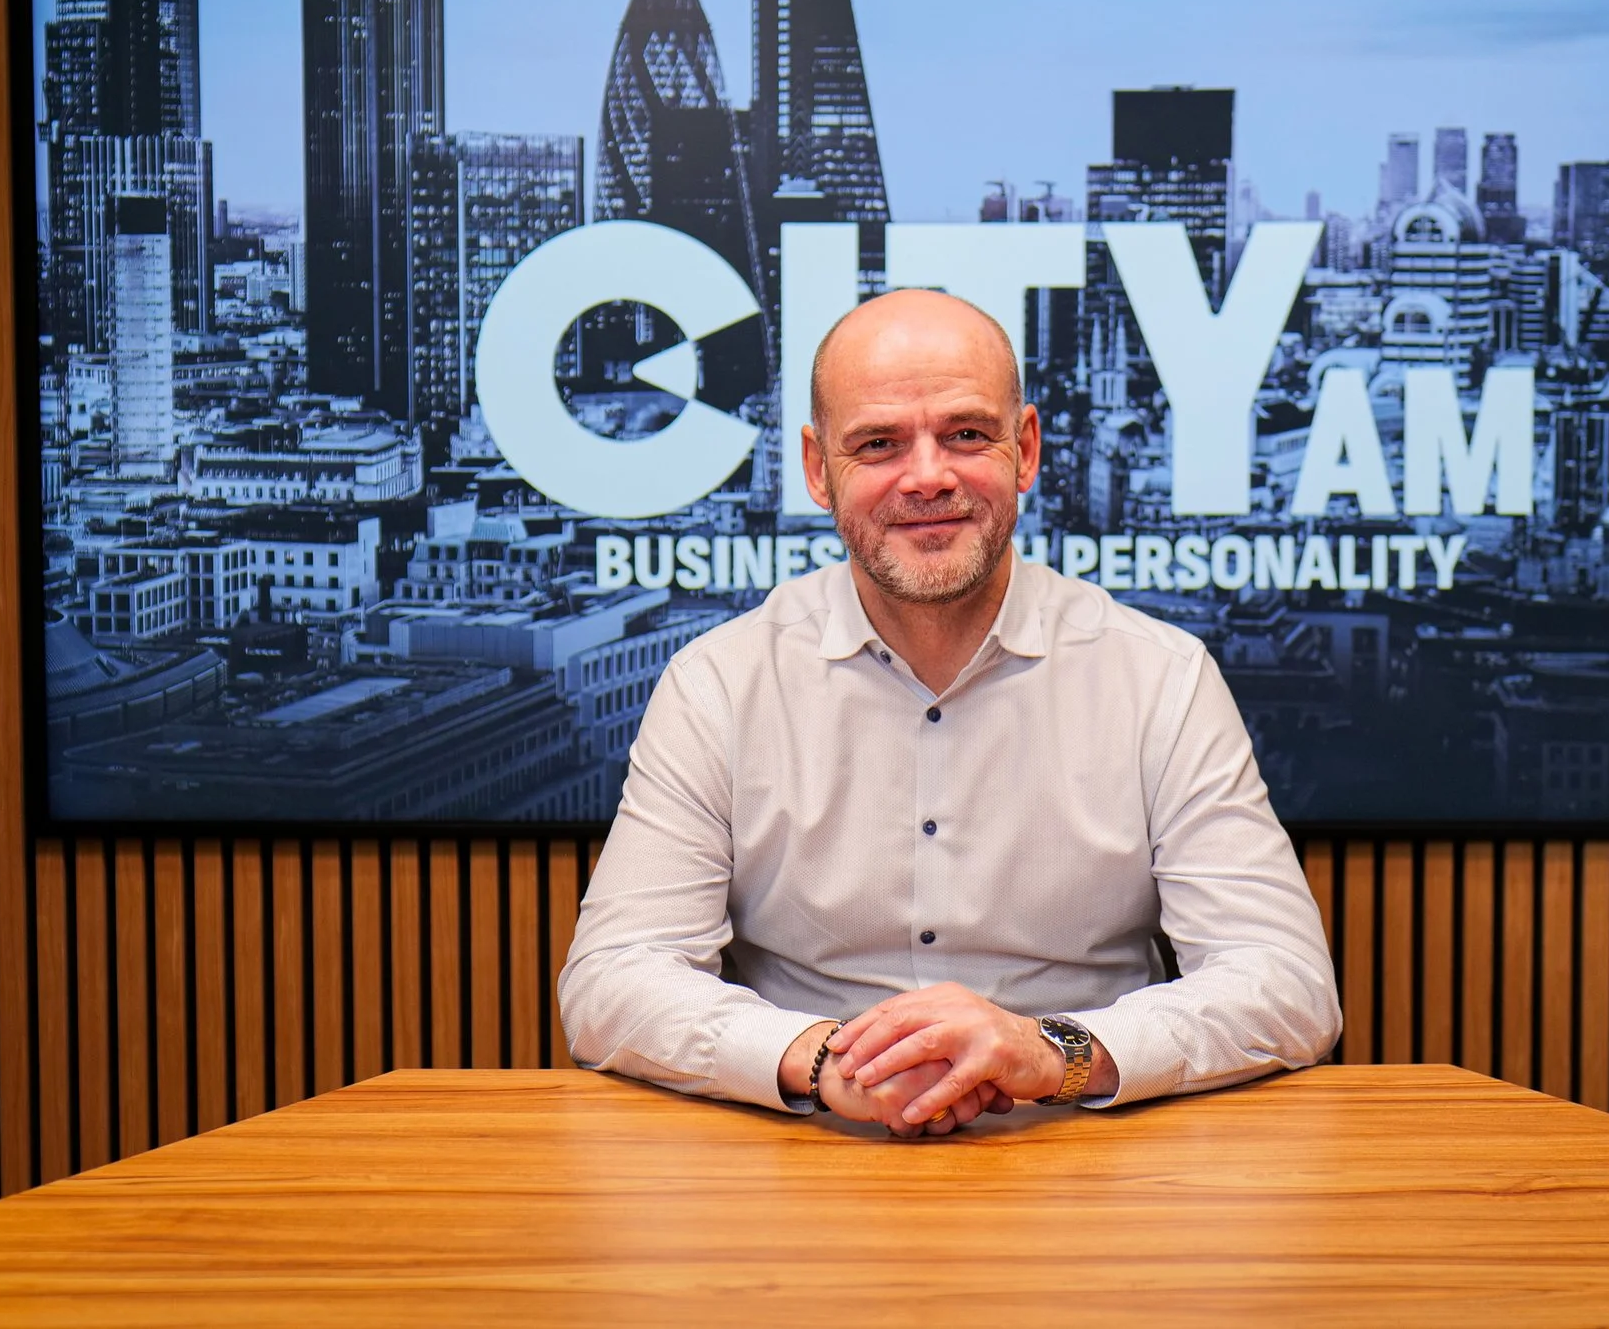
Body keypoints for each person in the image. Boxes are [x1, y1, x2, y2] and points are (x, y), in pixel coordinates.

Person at [557, 288, 1339, 1135]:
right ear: (819, 469)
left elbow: (1286, 980)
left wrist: (1050, 1052)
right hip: (799, 1167)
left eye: (966, 433)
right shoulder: (719, 682)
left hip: (1094, 1171)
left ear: (1026, 449)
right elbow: (614, 977)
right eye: (879, 443)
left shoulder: (1160, 677)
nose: (928, 475)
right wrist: (824, 1060)